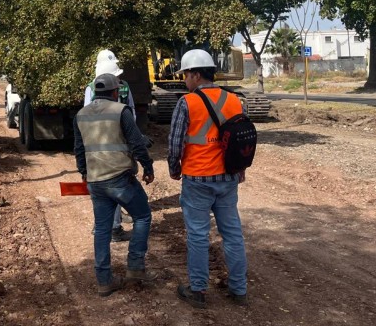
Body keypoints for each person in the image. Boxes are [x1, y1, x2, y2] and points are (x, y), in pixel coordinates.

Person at [168, 49, 248, 309]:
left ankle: (198, 289)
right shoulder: (234, 100)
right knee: (233, 234)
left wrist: (173, 167)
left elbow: (175, 142)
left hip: (198, 178)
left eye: (186, 75)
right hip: (227, 178)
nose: (184, 80)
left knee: (198, 236)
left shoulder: (187, 102)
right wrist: (240, 168)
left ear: (195, 74)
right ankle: (239, 289)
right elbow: (242, 138)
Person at [74, 73, 156, 297]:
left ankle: (104, 281)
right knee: (142, 216)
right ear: (114, 92)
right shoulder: (121, 111)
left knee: (102, 228)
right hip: (120, 178)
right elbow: (136, 143)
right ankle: (135, 267)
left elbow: (79, 150)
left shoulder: (81, 115)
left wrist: (84, 173)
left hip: (95, 181)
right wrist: (148, 168)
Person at [84, 49, 135, 242]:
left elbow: (85, 115)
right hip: (120, 143)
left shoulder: (91, 88)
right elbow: (132, 113)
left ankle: (105, 226)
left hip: (97, 143)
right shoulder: (125, 87)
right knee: (117, 181)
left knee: (101, 184)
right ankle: (112, 226)